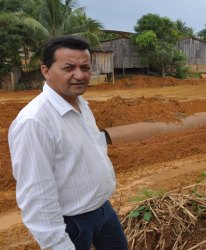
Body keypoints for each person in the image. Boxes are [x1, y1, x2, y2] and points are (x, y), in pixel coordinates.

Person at [8, 35, 127, 250]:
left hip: (103, 210)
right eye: (69, 68)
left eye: (85, 67)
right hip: (72, 223)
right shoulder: (34, 122)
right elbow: (36, 196)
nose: (79, 75)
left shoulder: (82, 105)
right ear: (46, 71)